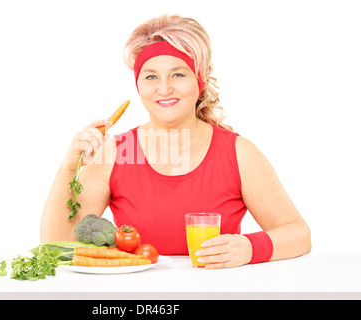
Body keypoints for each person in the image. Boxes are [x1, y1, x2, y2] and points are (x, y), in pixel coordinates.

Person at [40, 14, 311, 268]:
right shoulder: (119, 152)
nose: (164, 88)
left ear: (199, 81)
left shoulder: (237, 153)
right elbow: (57, 243)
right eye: (151, 77)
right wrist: (68, 166)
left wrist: (250, 248)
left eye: (178, 74)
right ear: (139, 86)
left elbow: (298, 233)